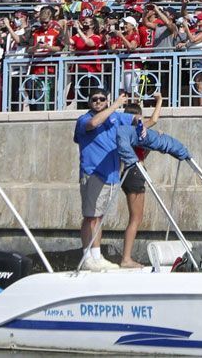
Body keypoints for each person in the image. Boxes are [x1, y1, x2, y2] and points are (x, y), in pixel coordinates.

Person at [74, 89, 132, 272]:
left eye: (101, 99)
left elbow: (136, 121)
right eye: (94, 99)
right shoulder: (84, 119)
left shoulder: (115, 117)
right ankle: (86, 257)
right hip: (93, 173)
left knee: (99, 217)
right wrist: (115, 104)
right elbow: (94, 123)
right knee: (90, 216)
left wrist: (144, 122)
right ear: (90, 102)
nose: (98, 102)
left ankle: (97, 256)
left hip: (111, 174)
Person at [119, 93, 164, 269]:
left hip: (130, 173)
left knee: (135, 217)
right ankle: (126, 259)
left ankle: (126, 257)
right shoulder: (134, 128)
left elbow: (141, 152)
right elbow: (154, 119)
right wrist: (159, 100)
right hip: (135, 173)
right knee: (136, 218)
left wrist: (151, 143)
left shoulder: (123, 132)